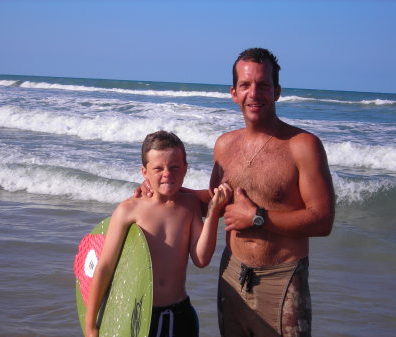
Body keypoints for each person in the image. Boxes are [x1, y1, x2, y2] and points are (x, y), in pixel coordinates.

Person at [138, 48, 335, 337]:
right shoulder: (224, 145)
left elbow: (322, 220)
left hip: (281, 281)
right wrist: (159, 194)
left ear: (277, 91)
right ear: (234, 93)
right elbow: (214, 201)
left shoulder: (302, 145)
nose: (254, 93)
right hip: (232, 275)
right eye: (245, 85)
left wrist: (258, 218)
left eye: (263, 85)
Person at [85, 130, 232, 337]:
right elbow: (105, 268)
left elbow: (201, 259)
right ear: (144, 172)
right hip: (137, 315)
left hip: (180, 312)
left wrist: (213, 213)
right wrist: (91, 325)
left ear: (185, 169)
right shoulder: (128, 210)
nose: (167, 174)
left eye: (174, 167)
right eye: (158, 168)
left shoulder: (189, 206)